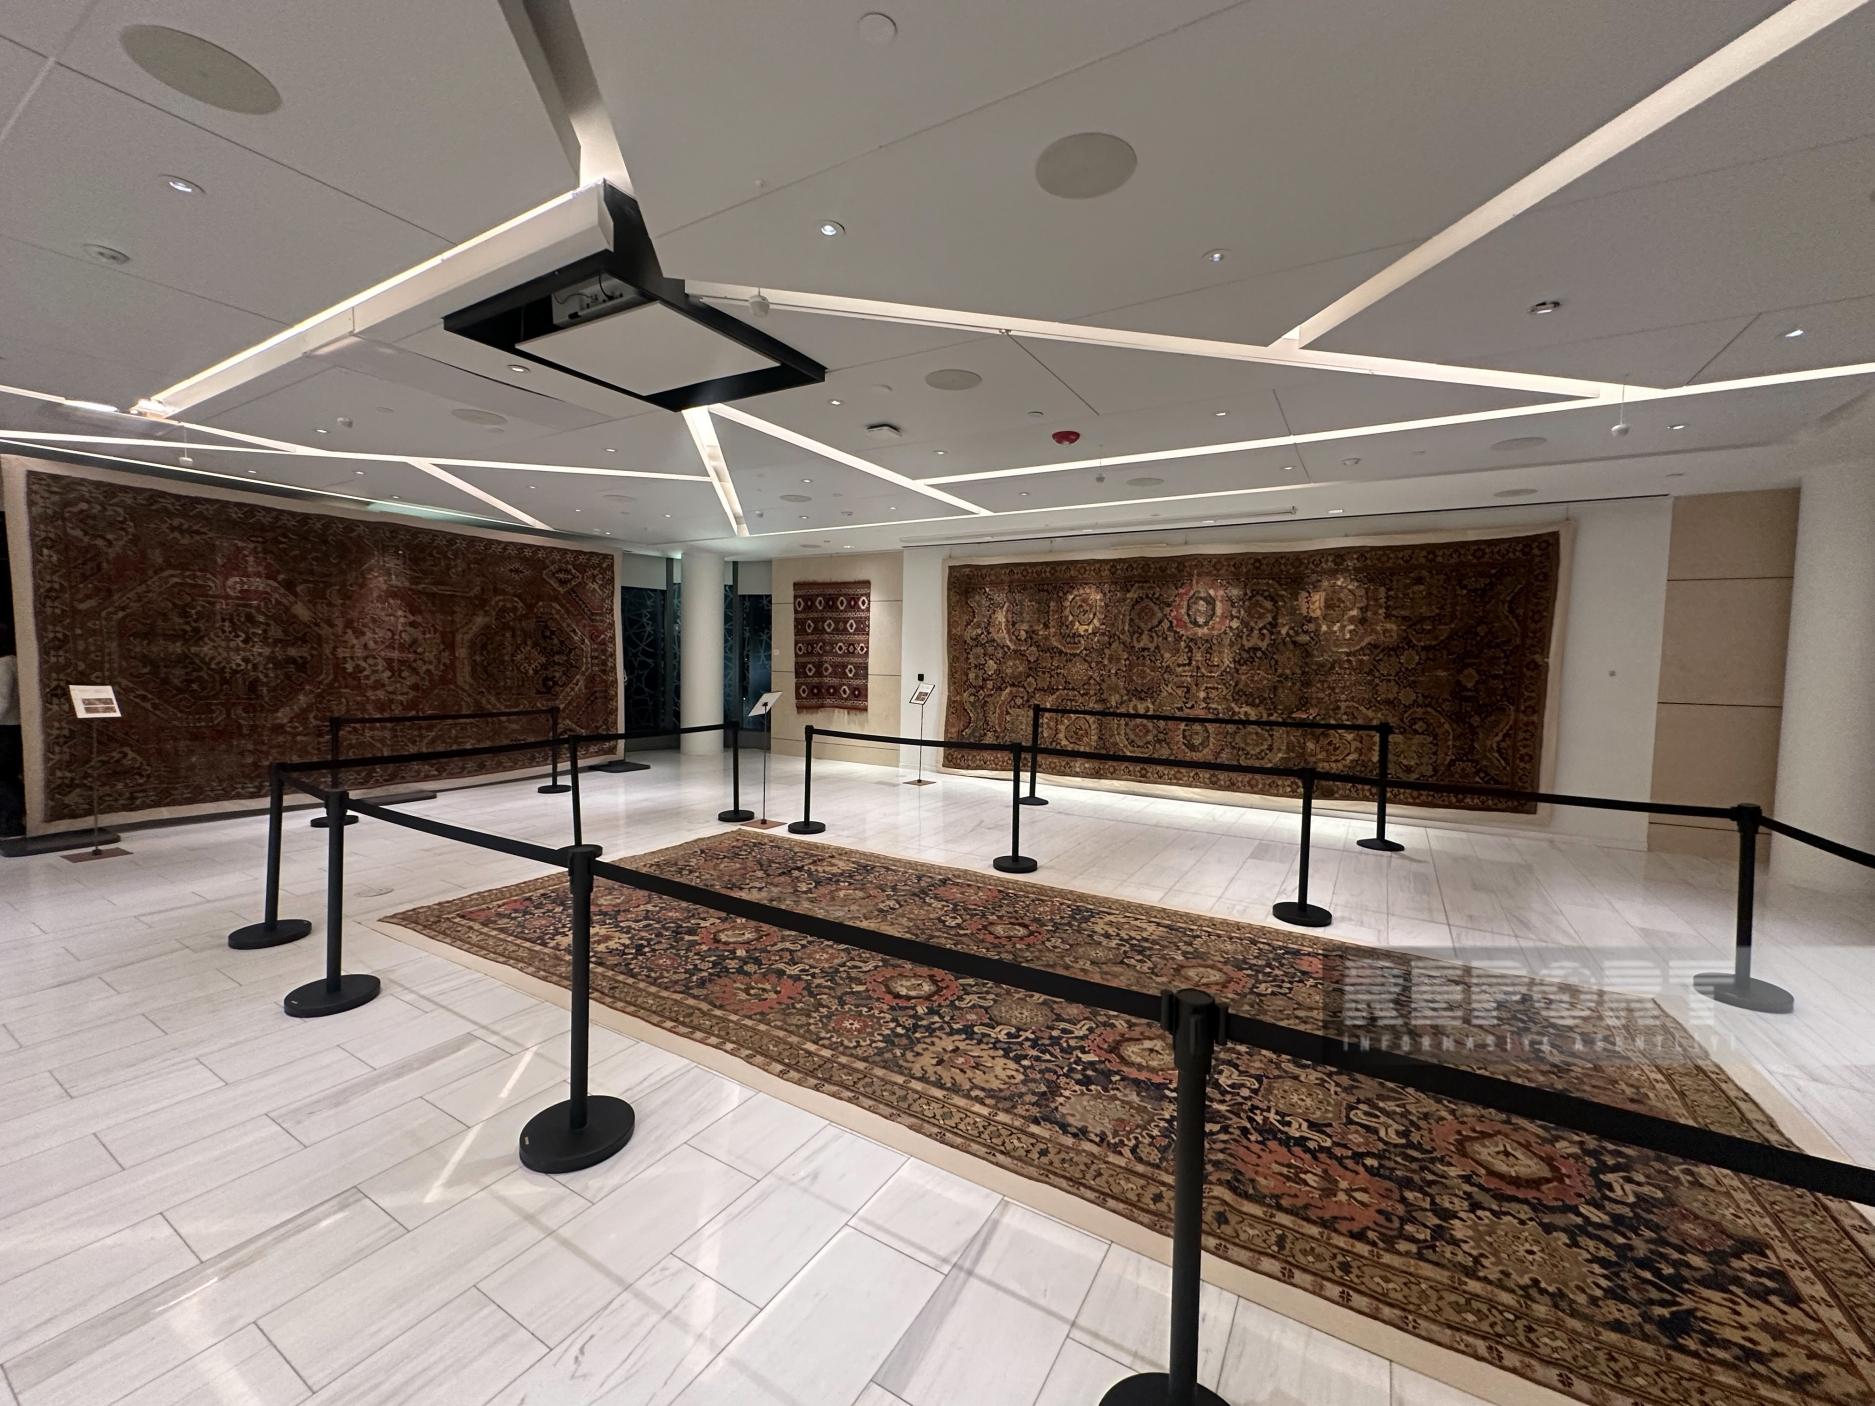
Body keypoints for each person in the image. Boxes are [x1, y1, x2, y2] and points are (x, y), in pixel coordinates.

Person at [0, 625, 21, 838]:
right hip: (16, 726)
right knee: (10, 775)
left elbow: (3, 700)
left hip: (5, 727)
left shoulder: (4, 664)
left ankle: (10, 822)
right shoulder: (16, 661)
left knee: (4, 776)